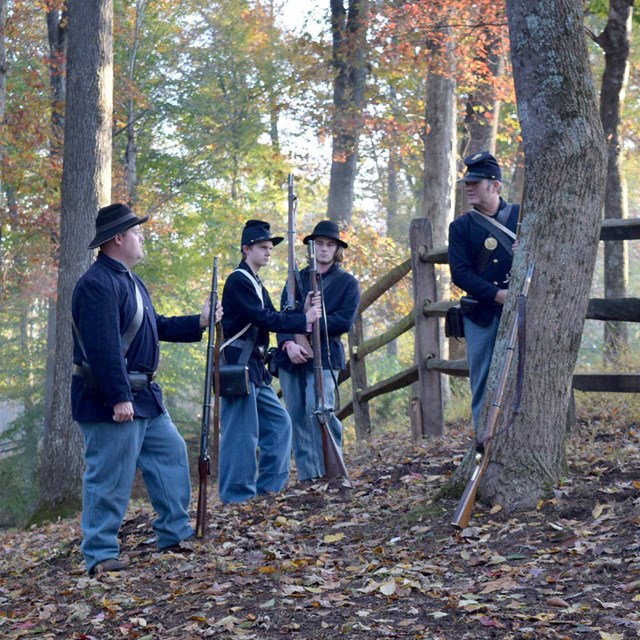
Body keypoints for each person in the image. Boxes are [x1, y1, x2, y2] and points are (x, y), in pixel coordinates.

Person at [72, 203, 219, 576]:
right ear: (117, 238)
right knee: (109, 477)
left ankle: (174, 533)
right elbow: (103, 347)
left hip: (144, 397)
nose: (141, 238)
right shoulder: (95, 284)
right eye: (136, 232)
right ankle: (101, 554)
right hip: (112, 397)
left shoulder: (130, 280)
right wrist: (119, 396)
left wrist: (199, 321)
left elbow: (156, 326)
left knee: (170, 456)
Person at [218, 219, 321, 503]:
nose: (268, 253)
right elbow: (263, 318)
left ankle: (268, 492)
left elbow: (275, 315)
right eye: (262, 247)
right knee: (242, 435)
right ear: (246, 249)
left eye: (269, 248)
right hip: (238, 365)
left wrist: (303, 309)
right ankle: (236, 498)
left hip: (254, 368)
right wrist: (305, 319)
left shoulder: (254, 282)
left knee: (279, 424)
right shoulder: (238, 280)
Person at [274, 220, 360, 482]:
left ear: (337, 250)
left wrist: (313, 322)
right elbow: (281, 317)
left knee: (320, 408)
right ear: (311, 248)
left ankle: (333, 472)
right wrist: (288, 343)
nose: (323, 249)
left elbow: (344, 321)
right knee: (297, 415)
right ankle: (309, 476)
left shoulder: (347, 283)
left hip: (326, 353)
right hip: (291, 357)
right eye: (319, 244)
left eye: (329, 244)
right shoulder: (296, 280)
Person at [448, 151, 520, 432]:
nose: (468, 187)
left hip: (521, 310)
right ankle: (482, 437)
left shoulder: (520, 216)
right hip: (482, 313)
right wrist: (496, 295)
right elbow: (461, 273)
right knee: (482, 380)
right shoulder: (462, 226)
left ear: (495, 185)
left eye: (475, 182)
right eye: (467, 182)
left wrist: (525, 252)